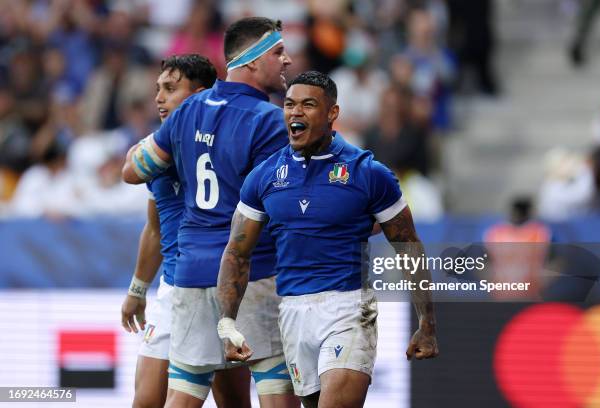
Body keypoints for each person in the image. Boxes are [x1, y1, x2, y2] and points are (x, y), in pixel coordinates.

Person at [216, 71, 439, 408]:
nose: (296, 113)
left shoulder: (368, 172)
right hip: (292, 311)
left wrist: (427, 322)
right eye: (290, 104)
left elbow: (408, 245)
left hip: (348, 308)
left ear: (332, 113)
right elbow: (236, 252)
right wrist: (227, 323)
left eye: (308, 105)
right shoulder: (264, 176)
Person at [122, 17, 299, 408]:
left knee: (183, 392)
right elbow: (285, 207)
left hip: (188, 274)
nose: (286, 61)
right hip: (250, 274)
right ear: (252, 61)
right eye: (278, 53)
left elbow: (132, 171)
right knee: (273, 386)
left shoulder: (188, 112)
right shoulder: (270, 121)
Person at [120, 54, 251, 408]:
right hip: (172, 289)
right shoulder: (158, 147)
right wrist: (137, 288)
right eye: (158, 89)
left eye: (170, 88)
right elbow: (155, 227)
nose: (159, 98)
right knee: (146, 401)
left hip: (219, 284)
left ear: (202, 94)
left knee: (233, 402)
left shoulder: (231, 144)